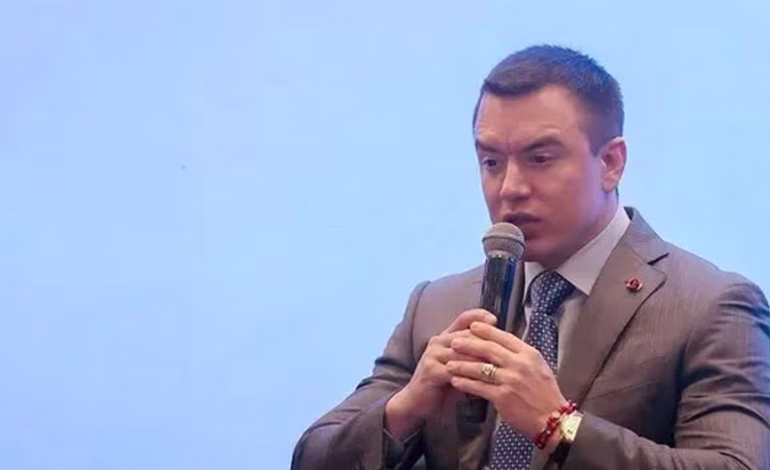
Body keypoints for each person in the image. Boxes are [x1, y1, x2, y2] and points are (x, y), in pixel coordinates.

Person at [291, 45, 770, 469]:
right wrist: (405, 409)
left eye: (540, 159)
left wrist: (558, 425)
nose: (510, 187)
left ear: (610, 163)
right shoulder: (438, 307)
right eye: (491, 162)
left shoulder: (710, 306)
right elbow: (313, 455)